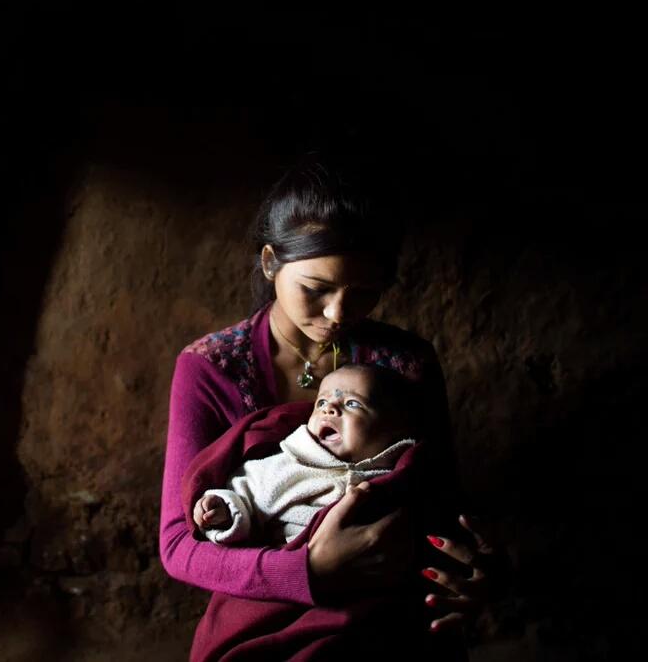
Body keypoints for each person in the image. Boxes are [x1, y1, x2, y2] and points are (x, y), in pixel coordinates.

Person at [158, 153, 502, 649]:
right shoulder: (211, 368)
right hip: (264, 622)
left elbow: (441, 500)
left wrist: (476, 571)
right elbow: (176, 547)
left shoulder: (405, 364)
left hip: (392, 616)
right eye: (316, 289)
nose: (339, 313)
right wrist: (307, 570)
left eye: (363, 292)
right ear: (270, 262)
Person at [192, 364, 419, 546]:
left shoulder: (405, 476)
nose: (329, 410)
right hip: (294, 570)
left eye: (352, 403)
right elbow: (244, 494)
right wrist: (224, 509)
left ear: (392, 429)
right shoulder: (286, 464)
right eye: (321, 402)